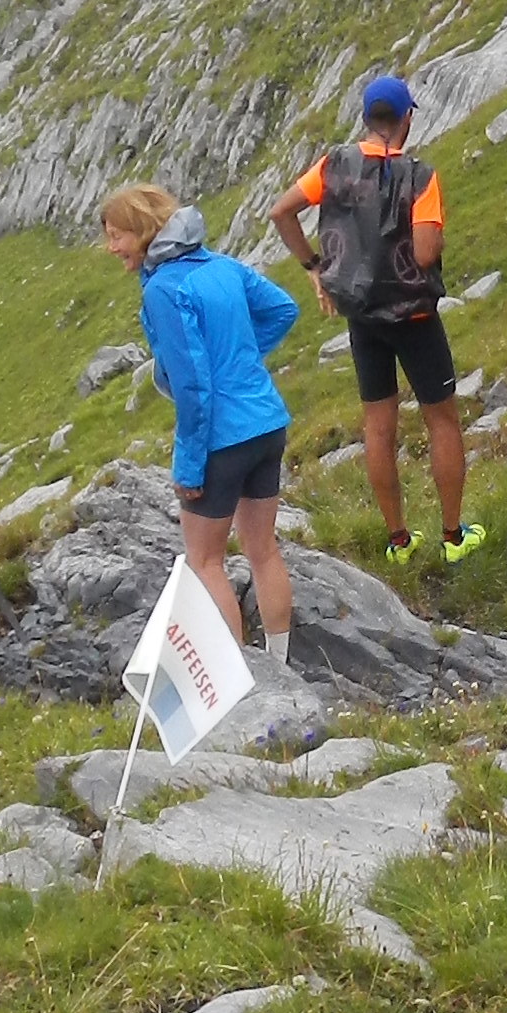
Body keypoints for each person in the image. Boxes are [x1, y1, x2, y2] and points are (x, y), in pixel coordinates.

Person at [271, 73, 488, 566]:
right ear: (407, 117)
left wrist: (315, 268)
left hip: (363, 315)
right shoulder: (420, 176)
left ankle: (399, 542)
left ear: (368, 117)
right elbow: (426, 252)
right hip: (414, 315)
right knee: (441, 420)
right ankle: (453, 537)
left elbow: (281, 212)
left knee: (378, 425)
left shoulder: (334, 164)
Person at [100, 177, 300, 663]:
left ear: (143, 231)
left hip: (222, 440)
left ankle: (241, 679)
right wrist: (241, 358)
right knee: (262, 550)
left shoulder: (164, 289)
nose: (112, 248)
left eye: (117, 236)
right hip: (267, 423)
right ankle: (279, 664)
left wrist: (188, 467)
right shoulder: (221, 265)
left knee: (206, 561)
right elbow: (283, 308)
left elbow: (191, 388)